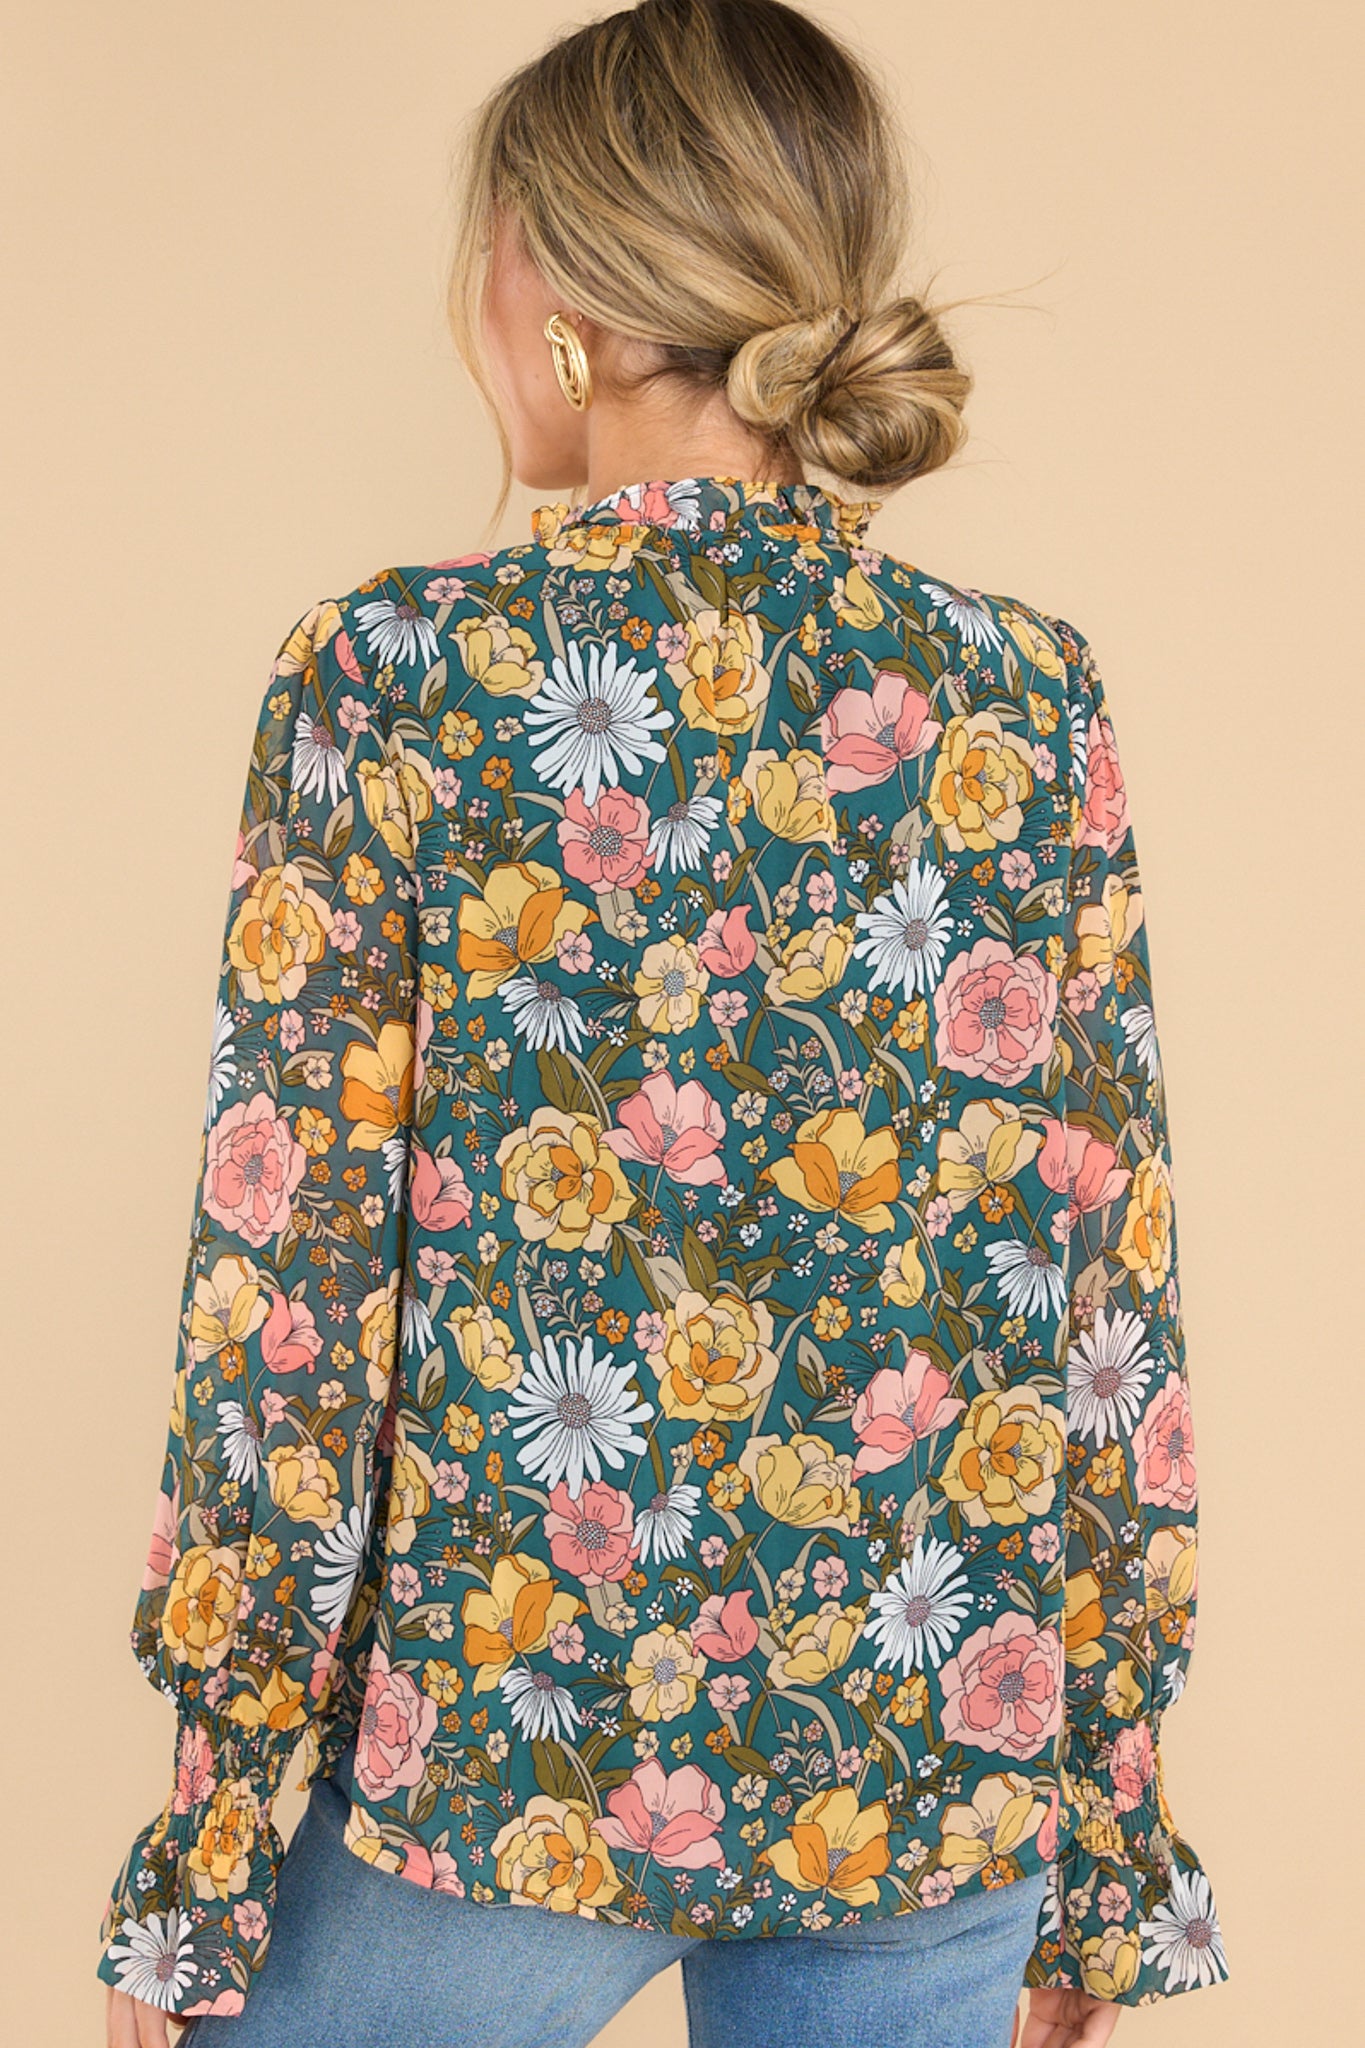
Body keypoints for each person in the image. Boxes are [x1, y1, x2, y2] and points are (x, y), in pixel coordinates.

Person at [99, 3, 1228, 2043]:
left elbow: (290, 1308)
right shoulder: (1021, 693)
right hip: (933, 1773)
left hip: (500, 1770)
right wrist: (1102, 1841)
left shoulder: (394, 674)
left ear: (556, 295)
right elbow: (1104, 1299)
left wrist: (208, 1845)